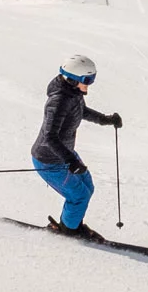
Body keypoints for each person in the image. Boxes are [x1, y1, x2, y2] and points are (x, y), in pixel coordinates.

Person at [32, 54, 122, 238]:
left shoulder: (73, 94)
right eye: (87, 80)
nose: (89, 84)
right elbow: (49, 136)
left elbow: (81, 111)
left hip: (65, 154)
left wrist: (106, 120)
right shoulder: (58, 101)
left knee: (87, 187)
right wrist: (70, 161)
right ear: (72, 79)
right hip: (49, 160)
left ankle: (70, 224)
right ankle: (69, 231)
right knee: (79, 195)